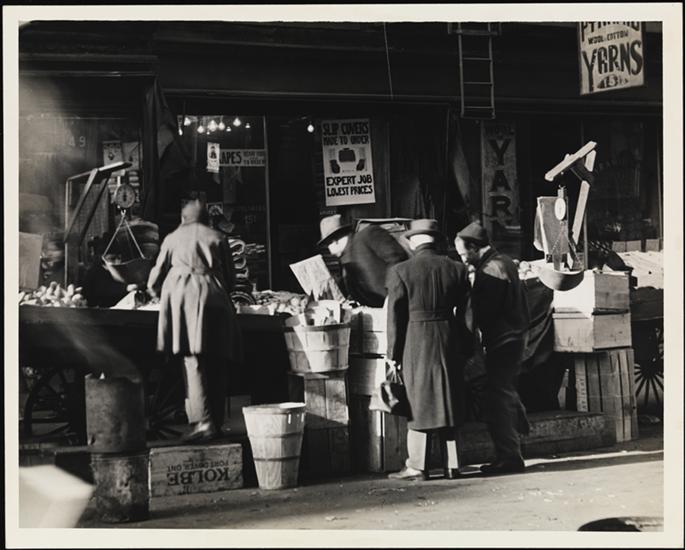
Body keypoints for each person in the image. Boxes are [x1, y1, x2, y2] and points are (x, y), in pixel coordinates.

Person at [147, 199, 242, 443]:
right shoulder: (218, 237)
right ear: (206, 218)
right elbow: (231, 278)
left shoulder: (172, 238)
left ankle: (203, 422)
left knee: (193, 360)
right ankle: (216, 422)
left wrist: (155, 293)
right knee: (218, 360)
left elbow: (156, 275)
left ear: (183, 218)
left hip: (184, 300)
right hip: (216, 299)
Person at [385, 219, 471, 480]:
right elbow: (468, 315)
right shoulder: (457, 269)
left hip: (415, 341)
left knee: (419, 401)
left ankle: (417, 465)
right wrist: (467, 348)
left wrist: (392, 355)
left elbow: (395, 318)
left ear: (414, 241)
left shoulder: (400, 271)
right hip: (448, 339)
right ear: (436, 240)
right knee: (448, 400)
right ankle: (452, 465)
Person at [455, 221, 531, 475]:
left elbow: (483, 312)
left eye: (464, 254)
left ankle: (509, 457)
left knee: (496, 398)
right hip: (514, 338)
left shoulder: (491, 270)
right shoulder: (504, 261)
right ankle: (517, 431)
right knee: (504, 391)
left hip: (503, 341)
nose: (463, 260)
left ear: (474, 247)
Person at [318, 214, 408, 307]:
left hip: (400, 305)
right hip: (376, 311)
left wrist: (392, 294)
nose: (330, 251)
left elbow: (398, 260)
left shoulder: (368, 235)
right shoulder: (344, 261)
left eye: (328, 244)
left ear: (334, 241)